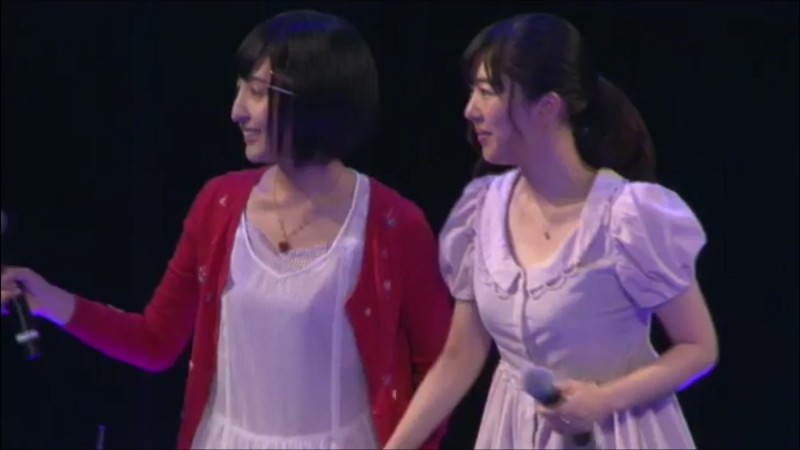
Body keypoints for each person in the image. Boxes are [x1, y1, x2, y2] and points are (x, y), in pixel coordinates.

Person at [0, 10, 453, 450]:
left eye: (256, 92)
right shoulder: (219, 203)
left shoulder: (394, 224)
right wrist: (51, 301)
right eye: (240, 90)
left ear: (314, 98)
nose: (237, 111)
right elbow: (156, 341)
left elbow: (441, 370)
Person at [383, 12, 719, 450]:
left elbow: (698, 348)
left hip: (617, 433)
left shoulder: (628, 217)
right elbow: (460, 355)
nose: (470, 110)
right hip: (515, 433)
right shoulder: (483, 209)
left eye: (487, 91)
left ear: (546, 107)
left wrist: (603, 400)